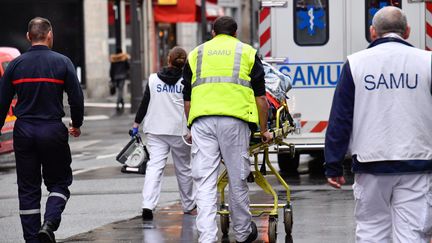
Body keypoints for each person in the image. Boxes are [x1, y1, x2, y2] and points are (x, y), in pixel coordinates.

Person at [325, 6, 432, 243]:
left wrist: (333, 164)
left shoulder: (356, 64)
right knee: (413, 233)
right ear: (408, 31)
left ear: (372, 32)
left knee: (372, 230)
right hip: (417, 162)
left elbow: (341, 118)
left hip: (371, 162)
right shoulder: (427, 61)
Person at [182, 16, 273, 243]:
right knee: (237, 177)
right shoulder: (247, 53)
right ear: (235, 34)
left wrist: (190, 125)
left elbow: (187, 100)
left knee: (204, 181)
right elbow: (260, 98)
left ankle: (207, 238)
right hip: (235, 121)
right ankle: (242, 233)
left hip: (202, 121)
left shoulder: (195, 54)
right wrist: (264, 130)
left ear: (213, 33)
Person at [0, 17, 84, 243]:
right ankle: (49, 223)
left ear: (29, 37)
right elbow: (76, 98)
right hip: (52, 130)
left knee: (28, 189)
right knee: (59, 182)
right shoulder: (62, 62)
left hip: (24, 131)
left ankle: (32, 239)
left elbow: (2, 101)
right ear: (49, 35)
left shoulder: (16, 65)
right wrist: (76, 124)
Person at [131, 46, 195, 221]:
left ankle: (148, 205)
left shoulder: (153, 80)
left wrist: (136, 125)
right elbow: (192, 105)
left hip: (156, 130)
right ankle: (189, 205)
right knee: (183, 169)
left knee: (154, 167)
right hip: (179, 131)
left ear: (168, 59)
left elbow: (144, 104)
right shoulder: (187, 81)